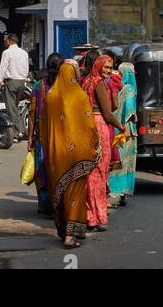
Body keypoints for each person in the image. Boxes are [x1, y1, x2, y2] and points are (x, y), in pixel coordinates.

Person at [39, 60, 100, 247]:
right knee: (75, 193)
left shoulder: (50, 96)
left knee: (58, 191)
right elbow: (89, 125)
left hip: (55, 155)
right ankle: (70, 236)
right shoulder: (79, 96)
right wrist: (95, 144)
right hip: (77, 154)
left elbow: (43, 127)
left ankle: (63, 230)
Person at [81, 52, 124, 232]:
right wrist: (120, 126)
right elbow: (107, 113)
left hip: (87, 125)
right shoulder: (99, 84)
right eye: (106, 67)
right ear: (98, 66)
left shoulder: (86, 82)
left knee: (89, 172)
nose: (108, 70)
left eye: (110, 68)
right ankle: (97, 216)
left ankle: (88, 215)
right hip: (99, 126)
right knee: (99, 172)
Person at [28, 53, 62, 217]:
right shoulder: (65, 85)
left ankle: (45, 203)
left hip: (43, 135)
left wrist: (30, 137)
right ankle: (54, 204)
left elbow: (32, 113)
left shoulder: (39, 85)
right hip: (57, 135)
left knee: (42, 169)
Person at [109, 61, 138, 206]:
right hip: (127, 131)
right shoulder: (129, 89)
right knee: (126, 162)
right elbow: (130, 110)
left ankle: (113, 190)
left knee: (116, 160)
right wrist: (134, 116)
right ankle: (122, 192)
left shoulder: (113, 86)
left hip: (114, 128)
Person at [0, 33, 30, 141]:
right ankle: (20, 131)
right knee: (15, 107)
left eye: (6, 40)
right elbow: (26, 68)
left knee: (11, 108)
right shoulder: (24, 53)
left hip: (11, 82)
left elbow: (3, 67)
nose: (5, 42)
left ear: (10, 41)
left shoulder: (7, 52)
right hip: (22, 82)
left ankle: (15, 134)